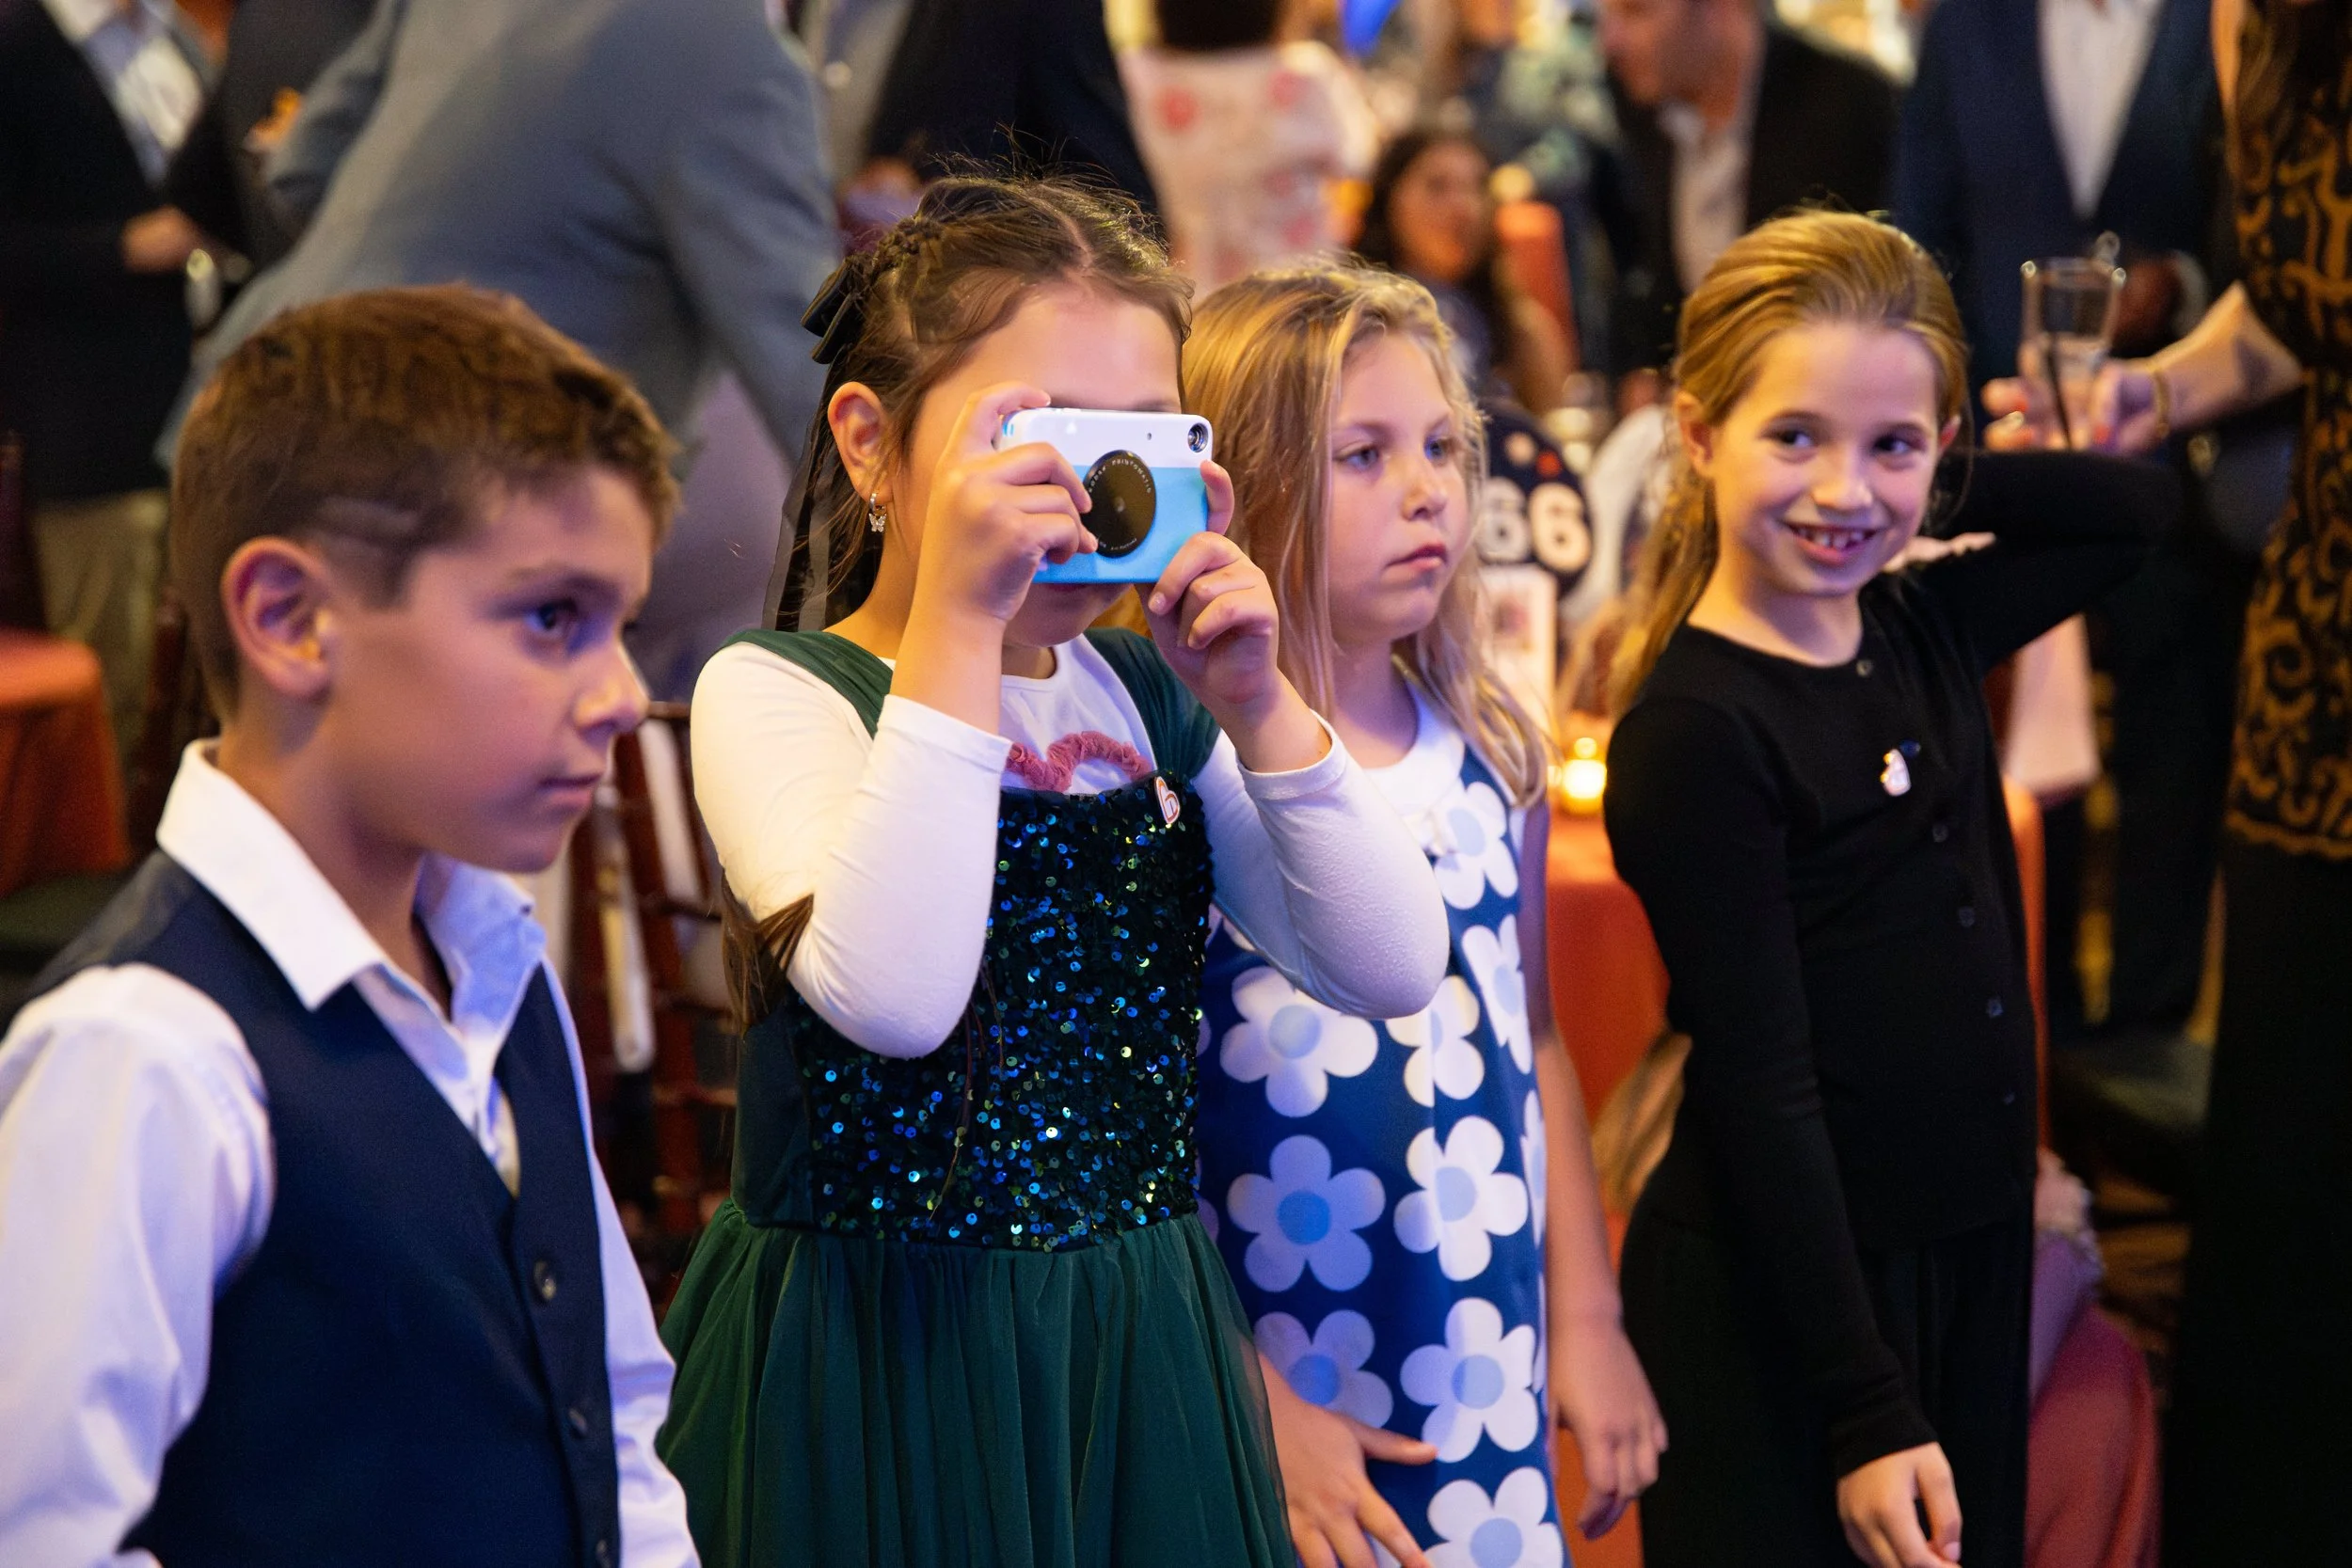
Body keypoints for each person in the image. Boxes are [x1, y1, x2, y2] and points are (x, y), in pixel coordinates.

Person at [660, 176, 1450, 1568]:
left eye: (1137, 438)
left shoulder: (1149, 703)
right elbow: (900, 995)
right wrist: (962, 626)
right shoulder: (776, 690)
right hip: (879, 1348)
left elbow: (1391, 963)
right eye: (1036, 437)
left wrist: (1263, 707)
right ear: (870, 443)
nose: (1088, 496)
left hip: (1134, 1339)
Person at [0, 286, 697, 1567]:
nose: (620, 694)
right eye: (553, 617)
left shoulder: (497, 965)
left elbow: (616, 1407)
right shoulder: (149, 1049)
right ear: (288, 617)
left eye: (624, 626)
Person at [1600, 211, 2176, 1568]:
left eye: (1889, 444)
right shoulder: (1699, 728)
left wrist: (1927, 483)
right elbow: (1764, 1083)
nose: (1842, 489)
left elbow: (2137, 511)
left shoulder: (1919, 619)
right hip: (1795, 1295)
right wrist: (1864, 1402)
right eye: (1795, 435)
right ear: (1698, 435)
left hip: (1957, 1250)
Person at [1185, 261, 1664, 1568]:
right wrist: (1258, 1404)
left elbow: (1537, 1040)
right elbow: (1137, 1155)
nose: (1428, 489)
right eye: (1362, 453)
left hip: (1478, 1359)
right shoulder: (1193, 782)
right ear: (1239, 486)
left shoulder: (1491, 747)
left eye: (1443, 446)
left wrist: (1588, 1312)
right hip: (1285, 1385)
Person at [1983, 0, 2352, 1554]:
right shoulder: (2254, 22)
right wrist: (2159, 390)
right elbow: (2299, 305)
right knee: (2300, 1153)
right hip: (2324, 658)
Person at [1896, 0, 2245, 1038]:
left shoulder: (2214, 21)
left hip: (2170, 454)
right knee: (2000, 766)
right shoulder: (1968, 23)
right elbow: (1917, 231)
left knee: (2172, 762)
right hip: (1998, 467)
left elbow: (2260, 238)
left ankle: (2141, 1048)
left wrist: (2175, 289)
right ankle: (2023, 1035)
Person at [175, 0, 837, 471]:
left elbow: (300, 166)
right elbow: (805, 357)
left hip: (249, 412)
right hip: (462, 483)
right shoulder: (725, 40)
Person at [0, 0, 210, 764]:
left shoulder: (177, 35)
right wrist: (126, 247)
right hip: (84, 415)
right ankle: (95, 881)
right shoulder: (19, 42)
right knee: (107, 688)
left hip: (202, 398)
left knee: (203, 690)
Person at [1595, 0, 1898, 382]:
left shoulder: (1850, 106)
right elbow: (1651, 281)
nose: (1609, 41)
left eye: (1636, 11)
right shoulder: (1644, 104)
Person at [1117, 0, 1379, 291]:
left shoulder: (1140, 75)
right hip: (1301, 287)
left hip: (1187, 286)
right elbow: (1362, 161)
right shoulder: (1307, 74)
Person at [1355, 125, 1572, 414]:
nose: (1465, 208)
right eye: (1437, 186)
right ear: (1389, 200)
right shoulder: (1348, 323)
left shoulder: (1518, 328)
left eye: (1478, 187)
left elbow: (1547, 437)